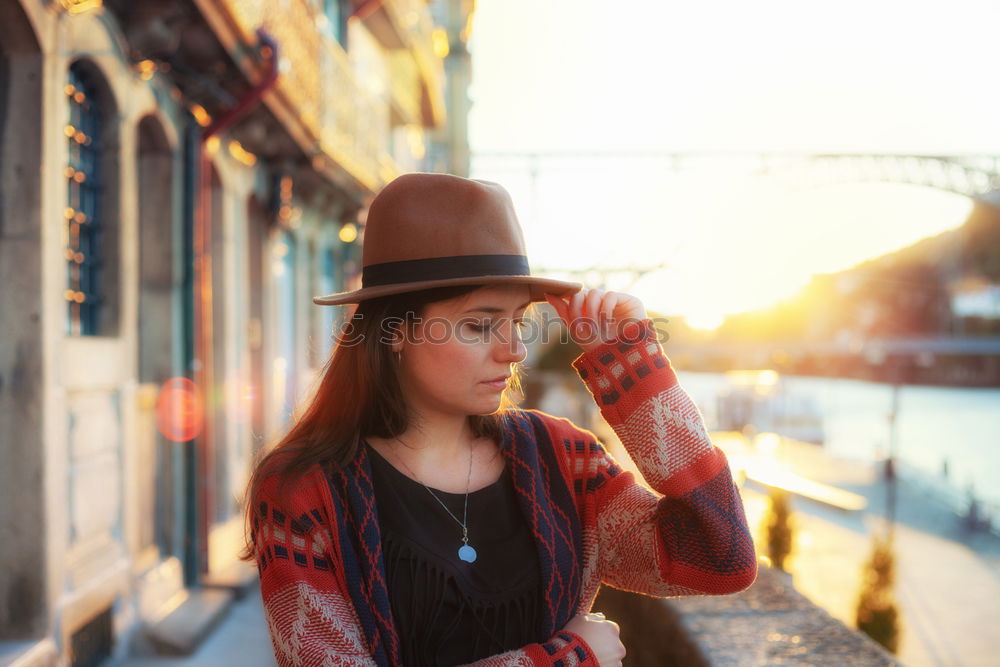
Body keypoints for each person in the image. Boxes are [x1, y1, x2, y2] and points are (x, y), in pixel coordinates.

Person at [243, 173, 757, 667]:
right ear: (395, 331)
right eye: (479, 324)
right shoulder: (302, 492)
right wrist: (566, 659)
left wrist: (633, 367)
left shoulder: (563, 459)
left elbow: (721, 558)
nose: (512, 351)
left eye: (517, 322)